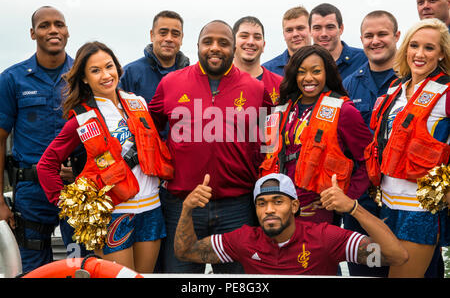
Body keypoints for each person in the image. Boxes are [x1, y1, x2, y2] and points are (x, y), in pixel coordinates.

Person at [148, 20, 273, 273]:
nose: (215, 48)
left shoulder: (256, 89)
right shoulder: (170, 83)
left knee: (238, 282)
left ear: (234, 48)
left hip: (237, 206)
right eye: (208, 42)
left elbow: (268, 145)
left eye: (223, 43)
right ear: (197, 46)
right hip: (182, 204)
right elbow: (148, 131)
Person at [36, 41, 172, 273]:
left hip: (151, 209)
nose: (105, 75)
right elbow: (46, 165)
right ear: (85, 78)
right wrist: (68, 205)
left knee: (143, 278)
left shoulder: (138, 103)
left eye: (109, 66)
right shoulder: (81, 118)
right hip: (113, 215)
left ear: (118, 68)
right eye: (95, 70)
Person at [173, 173, 408, 275]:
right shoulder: (244, 240)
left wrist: (353, 208)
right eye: (262, 204)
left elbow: (396, 256)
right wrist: (186, 209)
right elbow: (186, 253)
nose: (270, 210)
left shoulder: (326, 238)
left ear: (295, 207)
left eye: (278, 201)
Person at [365, 18, 450, 278]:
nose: (420, 54)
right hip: (386, 204)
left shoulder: (446, 91)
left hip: (421, 207)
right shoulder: (395, 89)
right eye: (414, 45)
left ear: (442, 53)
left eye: (429, 48)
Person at [0, 6, 79, 273]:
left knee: (77, 263)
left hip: (76, 190)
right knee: (33, 269)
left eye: (59, 24)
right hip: (32, 193)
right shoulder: (12, 79)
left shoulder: (83, 76)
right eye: (44, 25)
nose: (53, 30)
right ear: (33, 33)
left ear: (67, 31)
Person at [259, 45, 372, 224]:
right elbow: (266, 155)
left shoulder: (344, 111)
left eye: (316, 71)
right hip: (278, 212)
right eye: (301, 72)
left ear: (327, 73)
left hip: (317, 215)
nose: (308, 78)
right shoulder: (280, 109)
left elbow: (369, 157)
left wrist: (346, 197)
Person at [341, 10, 400, 277]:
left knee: (412, 267)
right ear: (361, 39)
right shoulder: (349, 86)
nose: (375, 41)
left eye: (382, 34)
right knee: (368, 269)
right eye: (369, 35)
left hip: (404, 198)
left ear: (397, 36)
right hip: (362, 200)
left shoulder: (413, 81)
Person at [120, 10, 190, 104]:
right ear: (152, 35)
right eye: (163, 33)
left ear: (181, 39)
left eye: (175, 34)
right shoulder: (130, 73)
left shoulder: (190, 77)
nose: (169, 39)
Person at [309, 3, 367, 81]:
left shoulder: (364, 60)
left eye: (330, 27)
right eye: (317, 28)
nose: (324, 34)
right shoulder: (302, 64)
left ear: (341, 29)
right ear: (310, 31)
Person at [233, 16, 283, 105]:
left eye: (257, 37)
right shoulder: (218, 82)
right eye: (244, 36)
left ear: (263, 45)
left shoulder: (280, 85)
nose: (251, 42)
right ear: (232, 43)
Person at [262, 6, 311, 76]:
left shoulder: (326, 64)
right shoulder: (267, 71)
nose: (295, 34)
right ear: (284, 35)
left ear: (311, 30)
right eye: (289, 30)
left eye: (300, 28)